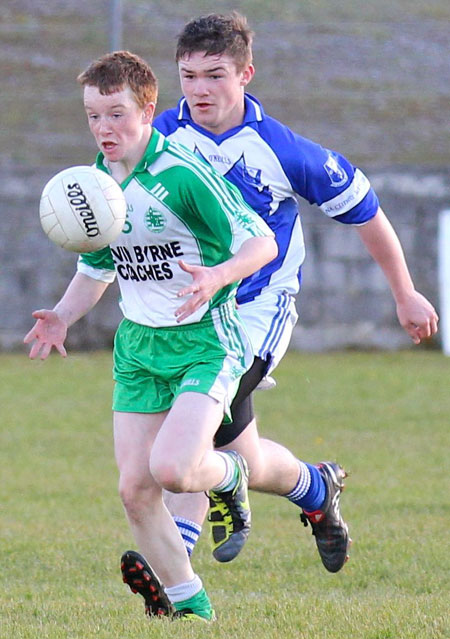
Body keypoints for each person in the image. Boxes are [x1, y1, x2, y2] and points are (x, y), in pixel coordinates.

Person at [148, 10, 439, 582]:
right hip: (189, 311)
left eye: (215, 75)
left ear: (246, 73)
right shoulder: (157, 137)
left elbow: (368, 213)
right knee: (245, 459)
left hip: (260, 307)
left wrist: (405, 293)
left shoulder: (282, 150)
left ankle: (174, 562)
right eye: (188, 76)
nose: (200, 89)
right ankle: (315, 485)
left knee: (191, 433)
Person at [24, 50, 279, 622]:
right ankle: (191, 610)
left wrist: (216, 274)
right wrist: (64, 315)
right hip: (138, 348)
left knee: (174, 469)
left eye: (115, 115)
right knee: (135, 492)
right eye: (93, 116)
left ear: (148, 108)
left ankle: (232, 474)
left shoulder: (183, 174)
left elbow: (260, 243)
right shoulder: (96, 181)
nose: (103, 129)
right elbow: (97, 267)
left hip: (205, 339)